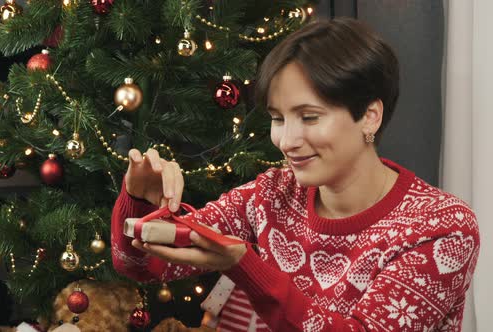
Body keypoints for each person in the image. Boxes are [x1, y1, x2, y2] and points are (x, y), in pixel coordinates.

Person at [111, 18, 480, 331]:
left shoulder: (441, 228)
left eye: (309, 116)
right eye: (277, 118)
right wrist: (138, 200)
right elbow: (143, 265)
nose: (287, 141)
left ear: (370, 115)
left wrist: (246, 267)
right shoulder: (272, 192)